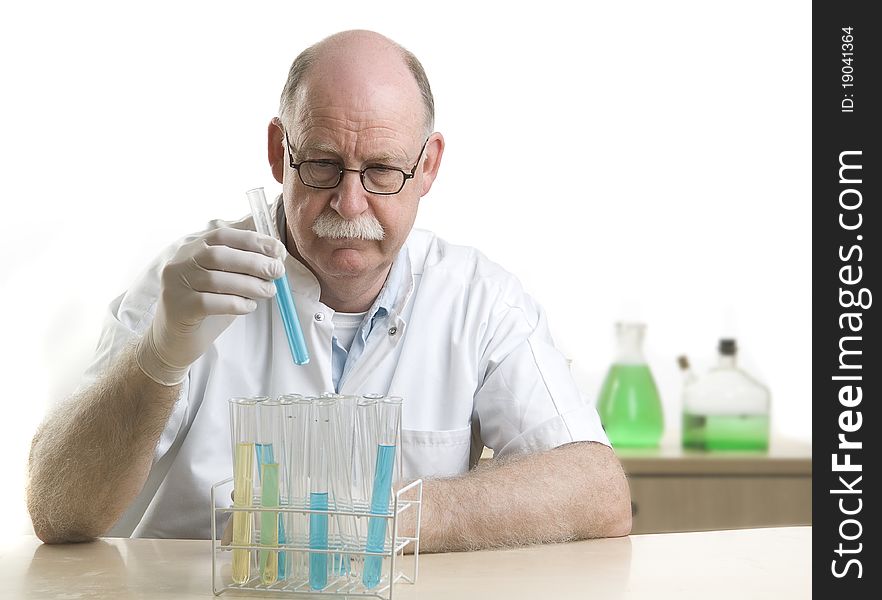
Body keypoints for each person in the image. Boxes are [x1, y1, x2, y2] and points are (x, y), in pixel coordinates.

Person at [27, 30, 631, 550]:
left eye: (382, 171)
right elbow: (57, 512)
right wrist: (158, 359)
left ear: (428, 167)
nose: (349, 203)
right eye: (321, 164)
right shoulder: (193, 283)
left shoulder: (477, 299)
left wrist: (372, 515)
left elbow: (597, 491)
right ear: (277, 152)